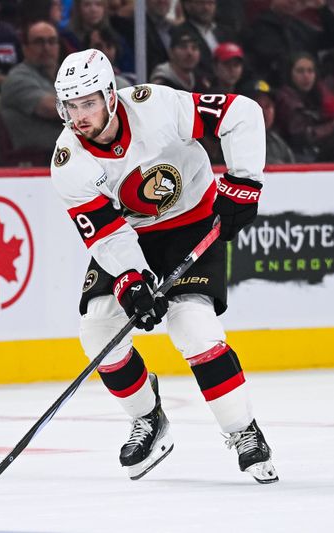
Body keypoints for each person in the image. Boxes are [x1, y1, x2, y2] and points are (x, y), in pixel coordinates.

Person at [50, 48, 278, 484]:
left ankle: (243, 431)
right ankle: (148, 419)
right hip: (131, 234)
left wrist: (245, 182)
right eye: (71, 106)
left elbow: (241, 113)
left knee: (192, 324)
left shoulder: (155, 105)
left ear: (110, 97)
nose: (79, 116)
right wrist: (132, 279)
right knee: (97, 327)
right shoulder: (68, 163)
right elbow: (106, 233)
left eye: (88, 103)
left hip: (192, 220)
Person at [240, 0, 334, 87]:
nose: (293, 2)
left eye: (300, 1)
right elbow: (274, 59)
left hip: (304, 93)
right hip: (275, 88)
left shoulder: (301, 28)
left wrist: (322, 8)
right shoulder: (260, 26)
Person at [0, 20, 63, 156]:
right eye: (39, 42)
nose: (46, 47)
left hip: (73, 156)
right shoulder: (17, 79)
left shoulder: (66, 75)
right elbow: (52, 108)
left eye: (52, 41)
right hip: (39, 160)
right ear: (25, 48)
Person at [274, 51, 334, 162]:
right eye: (300, 71)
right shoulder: (285, 99)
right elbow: (301, 136)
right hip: (292, 155)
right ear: (290, 73)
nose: (306, 76)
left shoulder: (313, 96)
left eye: (310, 71)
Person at [149, 25, 207, 92]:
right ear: (171, 52)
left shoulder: (201, 80)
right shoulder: (160, 83)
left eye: (194, 48)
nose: (190, 53)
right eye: (183, 47)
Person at [250, 80, 295, 164]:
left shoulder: (279, 144)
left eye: (268, 106)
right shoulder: (233, 140)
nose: (263, 112)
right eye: (257, 105)